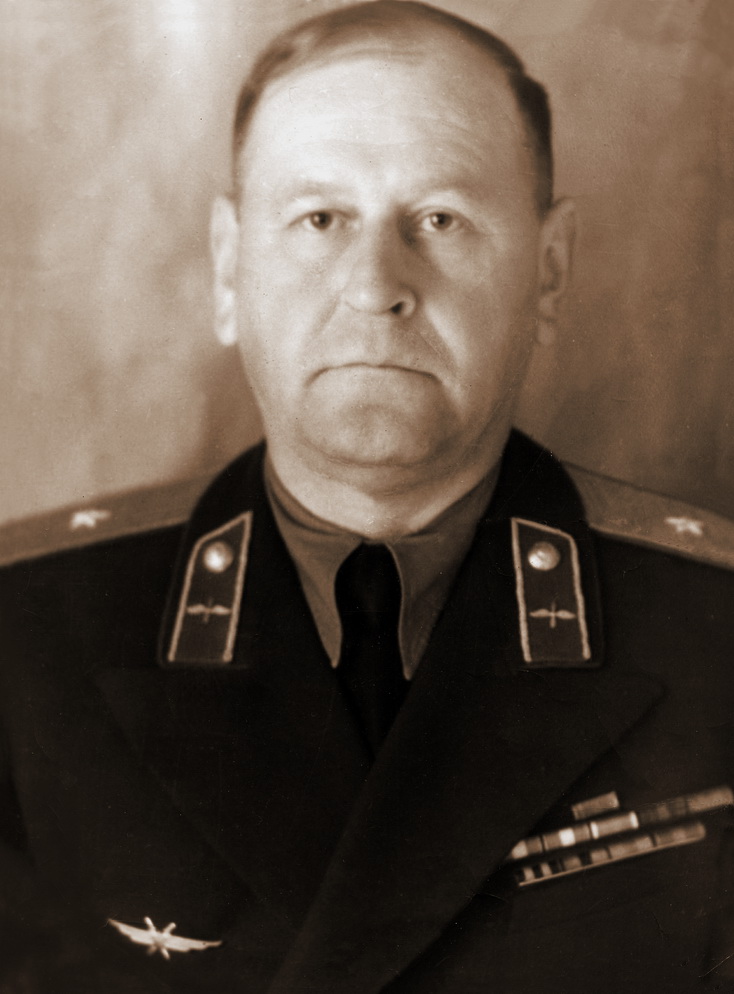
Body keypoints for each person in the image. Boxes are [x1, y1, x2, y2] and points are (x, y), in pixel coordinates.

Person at [1, 2, 733, 991]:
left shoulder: (714, 631)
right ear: (228, 267)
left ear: (548, 270)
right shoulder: (25, 636)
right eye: (320, 218)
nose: (375, 285)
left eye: (440, 218)